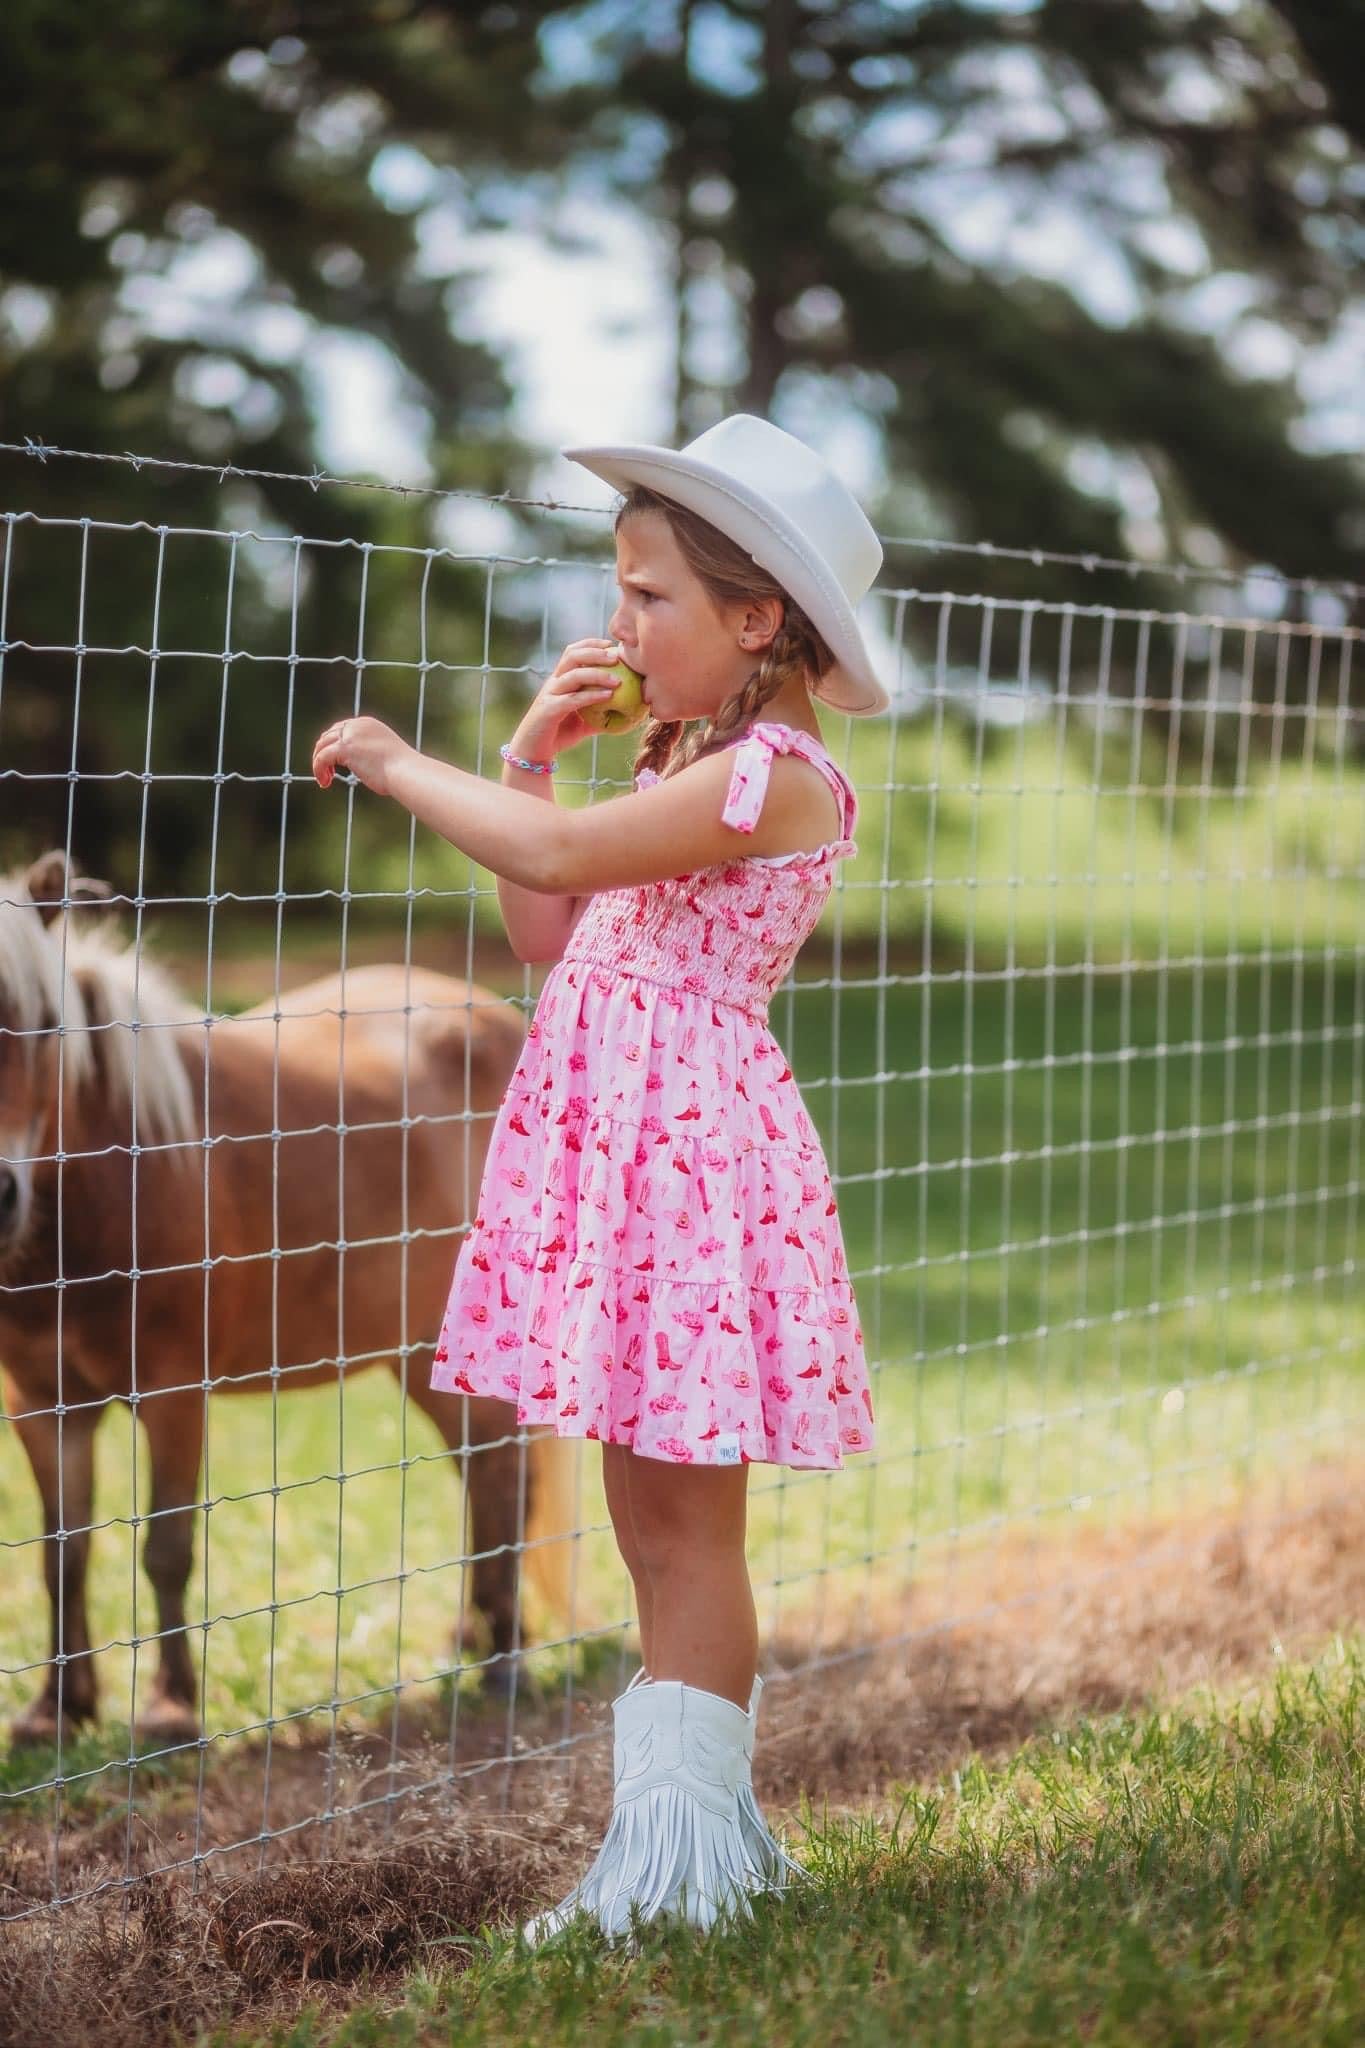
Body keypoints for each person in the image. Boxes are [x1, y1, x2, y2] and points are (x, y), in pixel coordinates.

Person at [311, 412, 889, 1947]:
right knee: (650, 1525)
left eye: (649, 598)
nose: (614, 622)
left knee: (687, 1532)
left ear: (755, 619)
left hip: (689, 1167)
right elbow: (549, 936)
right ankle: (683, 1857)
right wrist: (530, 758)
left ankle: (684, 1871)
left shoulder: (771, 775)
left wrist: (397, 761)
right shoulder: (687, 757)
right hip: (628, 1154)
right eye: (619, 588)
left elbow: (561, 873)